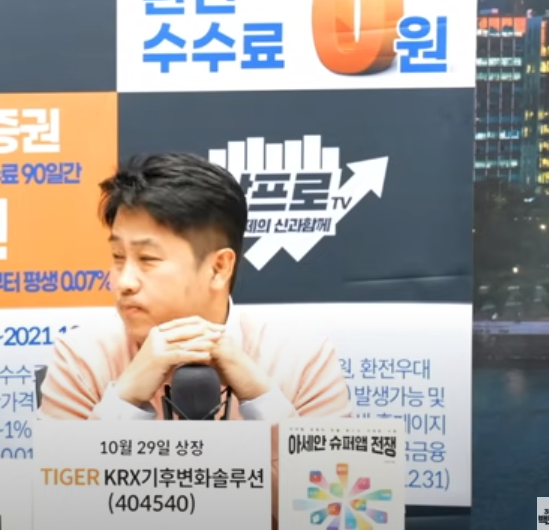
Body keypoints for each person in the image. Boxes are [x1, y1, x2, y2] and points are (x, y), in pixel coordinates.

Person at [36, 154, 351, 525]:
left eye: (147, 259)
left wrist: (261, 396)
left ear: (218, 268)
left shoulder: (304, 357)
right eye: (118, 257)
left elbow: (346, 515)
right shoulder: (82, 356)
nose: (124, 281)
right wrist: (125, 398)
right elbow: (57, 515)